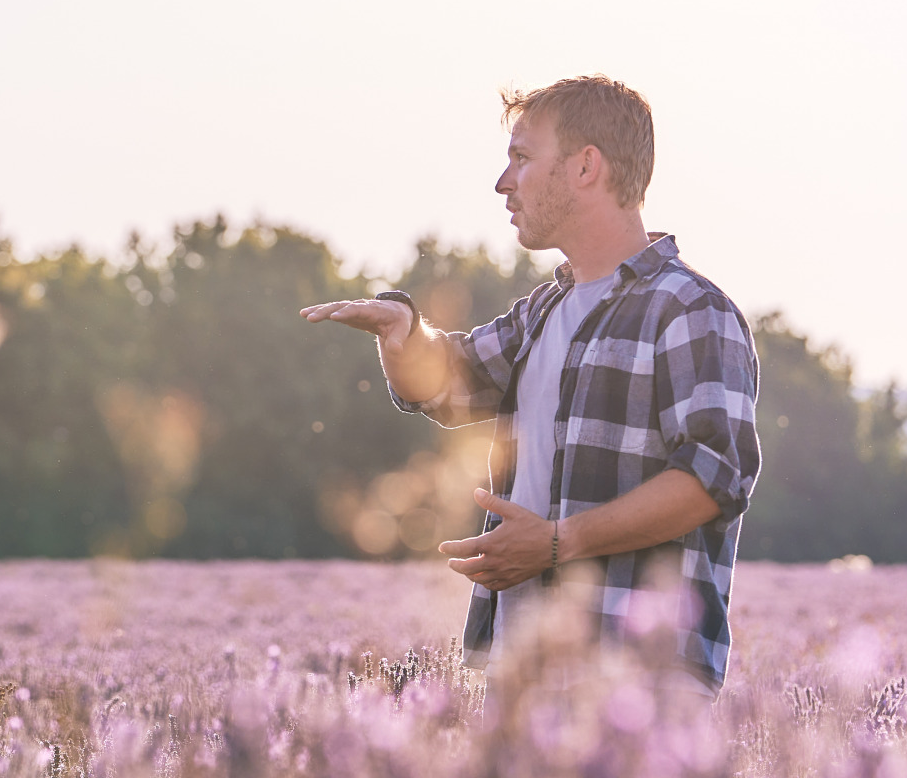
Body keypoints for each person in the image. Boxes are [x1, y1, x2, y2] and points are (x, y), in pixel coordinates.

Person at [301, 76, 761, 699]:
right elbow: (447, 381)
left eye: (521, 158)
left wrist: (556, 544)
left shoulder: (690, 311)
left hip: (639, 676)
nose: (503, 182)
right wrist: (402, 330)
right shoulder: (545, 310)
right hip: (522, 669)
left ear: (585, 167)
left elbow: (713, 479)